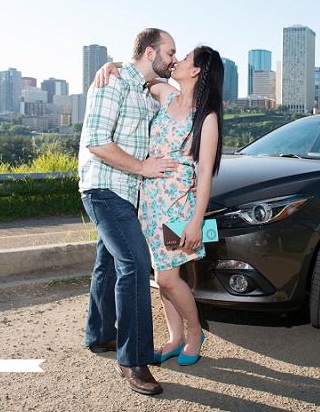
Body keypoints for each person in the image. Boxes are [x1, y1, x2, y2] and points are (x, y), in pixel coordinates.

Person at [96, 45, 224, 367]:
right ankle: (175, 338)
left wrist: (196, 222)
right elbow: (141, 73)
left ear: (196, 71)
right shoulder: (166, 95)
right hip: (150, 203)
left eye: (185, 58)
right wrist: (113, 65)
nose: (177, 60)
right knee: (162, 274)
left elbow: (205, 174)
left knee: (167, 278)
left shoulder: (206, 117)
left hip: (179, 206)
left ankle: (194, 333)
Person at [77, 28, 178, 396]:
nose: (174, 59)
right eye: (170, 52)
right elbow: (96, 142)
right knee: (135, 263)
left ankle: (100, 335)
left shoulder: (144, 92)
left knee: (108, 262)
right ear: (150, 52)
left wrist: (117, 63)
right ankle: (133, 358)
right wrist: (142, 168)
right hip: (104, 188)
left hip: (127, 191)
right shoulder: (112, 83)